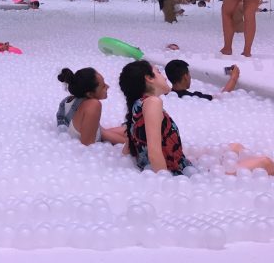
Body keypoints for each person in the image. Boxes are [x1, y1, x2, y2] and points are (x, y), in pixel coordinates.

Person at [119, 60, 274, 176]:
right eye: (159, 72)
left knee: (235, 147)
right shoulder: (153, 102)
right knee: (265, 163)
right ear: (149, 78)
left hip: (182, 166)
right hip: (182, 176)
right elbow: (154, 152)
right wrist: (166, 185)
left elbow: (129, 148)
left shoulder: (136, 105)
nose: (164, 77)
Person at [56, 67, 127, 146]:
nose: (108, 86)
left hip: (93, 135)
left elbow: (101, 133)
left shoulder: (68, 100)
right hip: (89, 148)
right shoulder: (93, 105)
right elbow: (88, 147)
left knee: (130, 131)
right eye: (103, 86)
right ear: (89, 94)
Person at [164, 59, 238, 100]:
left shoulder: (165, 95)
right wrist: (234, 77)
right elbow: (221, 97)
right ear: (185, 77)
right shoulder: (194, 98)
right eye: (189, 74)